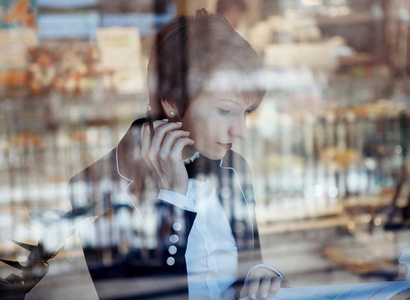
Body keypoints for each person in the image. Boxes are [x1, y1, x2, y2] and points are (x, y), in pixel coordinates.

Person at [69, 9, 291, 300]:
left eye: (245, 112)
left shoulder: (234, 167)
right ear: (171, 101)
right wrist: (173, 199)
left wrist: (258, 275)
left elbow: (246, 268)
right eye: (224, 111)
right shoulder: (96, 186)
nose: (241, 131)